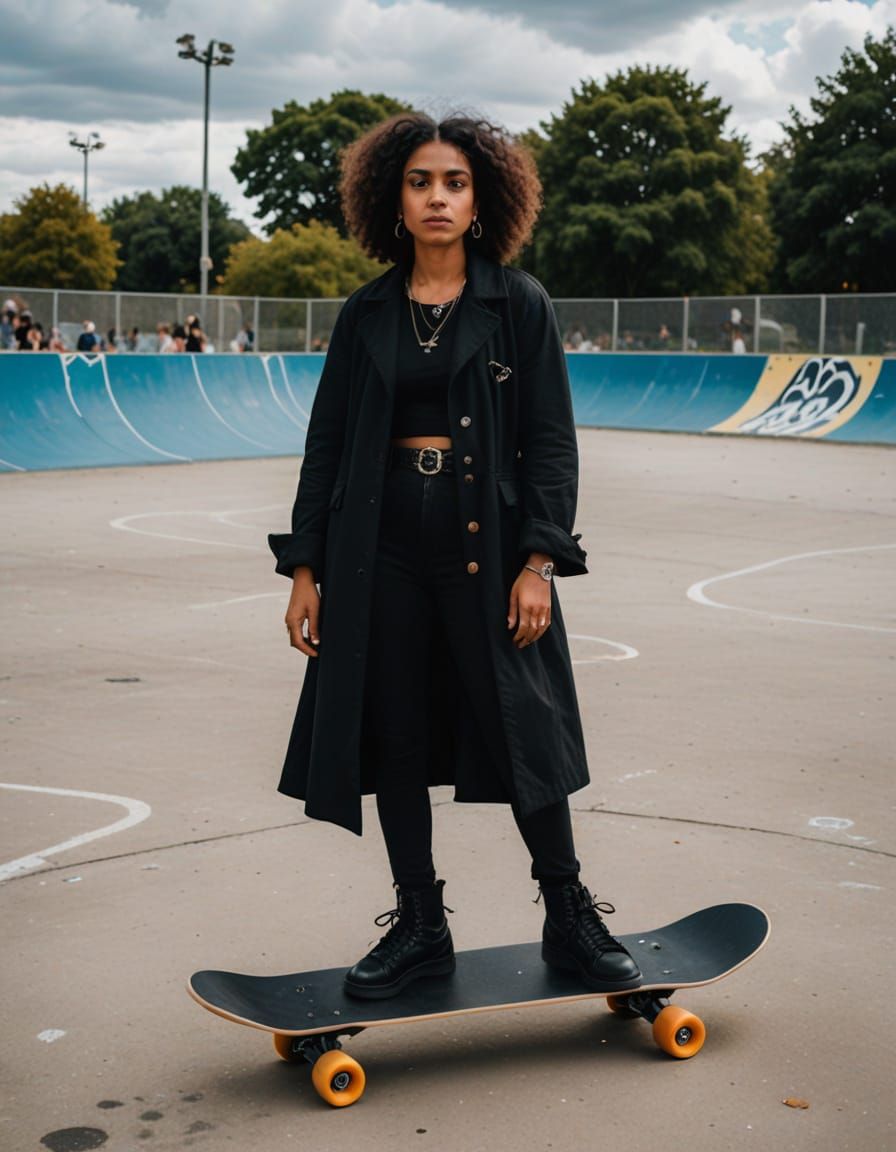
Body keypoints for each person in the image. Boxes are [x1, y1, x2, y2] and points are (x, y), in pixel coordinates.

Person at [269, 112, 641, 1001]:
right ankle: (421, 925)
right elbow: (325, 446)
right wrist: (306, 569)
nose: (438, 196)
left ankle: (569, 912)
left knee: (523, 726)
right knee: (393, 730)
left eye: (456, 182)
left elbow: (552, 442)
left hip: (490, 540)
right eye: (420, 182)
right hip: (381, 542)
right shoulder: (364, 314)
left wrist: (541, 561)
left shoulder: (520, 304)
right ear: (392, 199)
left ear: (483, 201)